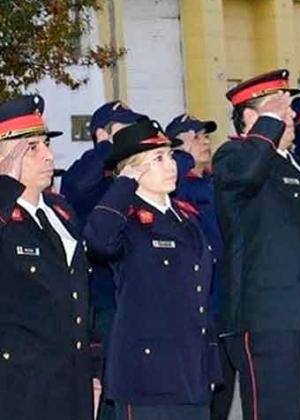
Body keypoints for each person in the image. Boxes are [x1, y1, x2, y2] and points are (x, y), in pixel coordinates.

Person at [213, 69, 300, 420]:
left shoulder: (298, 165)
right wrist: (267, 123)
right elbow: (245, 175)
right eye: (280, 110)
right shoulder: (232, 156)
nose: (291, 118)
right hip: (271, 322)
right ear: (253, 118)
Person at [84, 118, 222, 420]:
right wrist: (124, 184)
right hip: (147, 374)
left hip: (191, 371)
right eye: (157, 159)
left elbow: (200, 297)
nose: (170, 165)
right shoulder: (124, 218)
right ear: (133, 170)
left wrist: (210, 361)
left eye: (170, 156)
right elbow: (99, 241)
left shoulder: (187, 218)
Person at [0, 95, 92, 420]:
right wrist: (5, 186)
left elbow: (78, 290)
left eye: (46, 145)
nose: (49, 156)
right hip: (21, 386)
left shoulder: (61, 211)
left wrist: (92, 365)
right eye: (32, 148)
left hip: (72, 378)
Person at [60, 100, 146, 420]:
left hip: (131, 294)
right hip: (103, 298)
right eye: (123, 130)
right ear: (101, 134)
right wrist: (107, 149)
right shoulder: (89, 171)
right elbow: (76, 187)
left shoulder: (127, 174)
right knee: (109, 382)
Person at [164, 113, 236, 419]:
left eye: (206, 136)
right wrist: (179, 154)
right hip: (198, 309)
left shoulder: (212, 182)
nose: (205, 142)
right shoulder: (176, 181)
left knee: (223, 390)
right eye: (197, 137)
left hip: (224, 305)